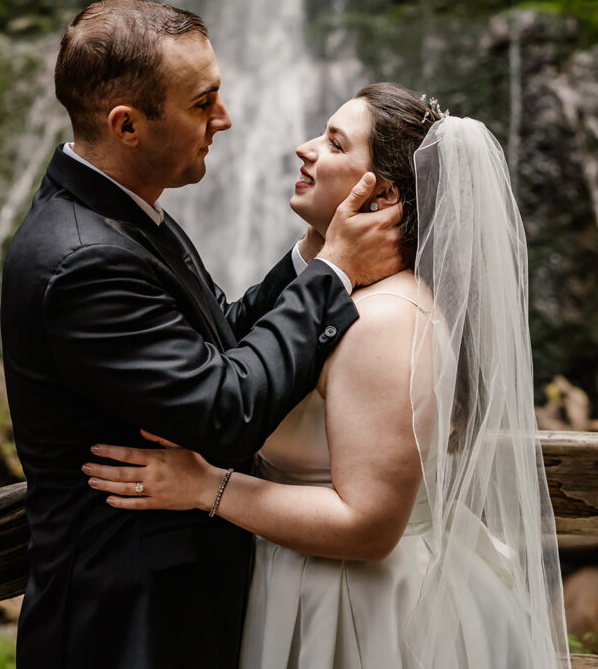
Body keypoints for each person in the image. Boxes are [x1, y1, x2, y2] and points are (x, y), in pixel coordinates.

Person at [85, 83, 570, 668]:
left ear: (381, 194)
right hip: (306, 583)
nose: (304, 148)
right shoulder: (342, 292)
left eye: (334, 143)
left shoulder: (389, 321)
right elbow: (240, 350)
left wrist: (203, 486)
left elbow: (368, 526)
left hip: (364, 611)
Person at [0, 0, 403, 669]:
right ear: (126, 125)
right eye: (201, 103)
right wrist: (334, 274)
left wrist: (310, 255)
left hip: (179, 595)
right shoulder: (84, 259)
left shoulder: (125, 212)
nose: (225, 119)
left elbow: (221, 338)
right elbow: (224, 407)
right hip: (129, 621)